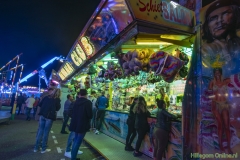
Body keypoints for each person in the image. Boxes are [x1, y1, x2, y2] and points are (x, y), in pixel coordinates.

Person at [202, 0, 240, 79]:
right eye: (213, 18)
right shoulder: (206, 50)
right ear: (207, 26)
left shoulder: (236, 43)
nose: (219, 21)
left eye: (225, 13)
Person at [208, 68, 232, 153]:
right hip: (216, 105)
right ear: (214, 74)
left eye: (218, 72)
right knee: (220, 125)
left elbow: (234, 79)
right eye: (215, 72)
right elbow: (208, 94)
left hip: (224, 104)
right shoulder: (212, 83)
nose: (217, 74)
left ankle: (229, 147)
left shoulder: (225, 81)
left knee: (227, 125)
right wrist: (212, 102)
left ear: (221, 73)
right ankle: (220, 145)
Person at [34, 88, 61, 153]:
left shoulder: (46, 97)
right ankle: (43, 148)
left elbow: (40, 104)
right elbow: (57, 108)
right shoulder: (57, 100)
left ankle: (36, 148)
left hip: (42, 115)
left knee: (40, 131)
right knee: (46, 132)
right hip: (49, 117)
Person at [69, 89, 92, 160]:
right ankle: (73, 158)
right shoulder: (88, 102)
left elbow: (71, 112)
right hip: (83, 124)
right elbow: (90, 115)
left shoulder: (75, 102)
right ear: (86, 94)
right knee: (78, 142)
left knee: (75, 140)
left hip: (75, 124)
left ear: (80, 94)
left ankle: (73, 157)